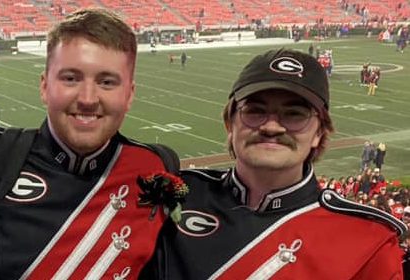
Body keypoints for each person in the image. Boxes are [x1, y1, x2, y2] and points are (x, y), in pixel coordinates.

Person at [0, 8, 181, 279]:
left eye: (107, 82)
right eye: (70, 78)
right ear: (45, 86)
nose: (87, 98)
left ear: (129, 95)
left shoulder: (157, 169)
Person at [155, 49, 406, 279]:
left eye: (294, 114)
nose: (271, 126)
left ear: (319, 132)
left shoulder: (367, 239)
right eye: (255, 111)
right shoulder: (172, 195)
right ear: (230, 123)